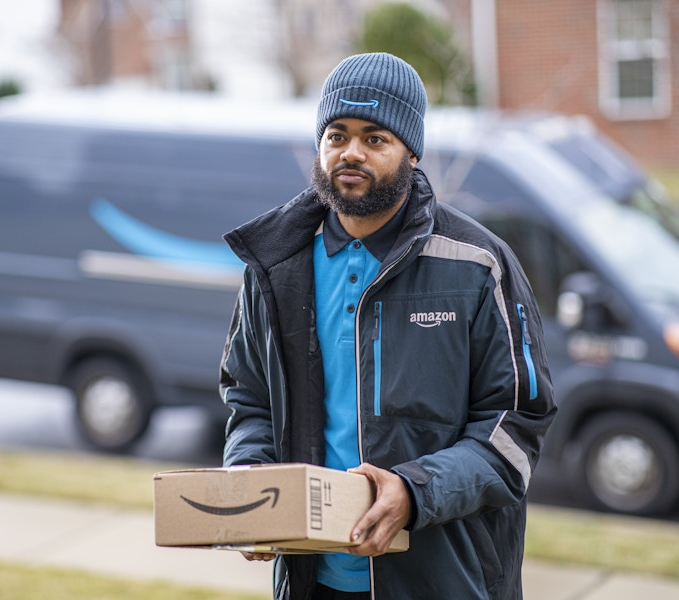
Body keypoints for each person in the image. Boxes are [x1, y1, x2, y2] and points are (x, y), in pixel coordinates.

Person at [219, 52, 556, 600]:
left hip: (446, 581)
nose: (351, 152)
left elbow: (516, 426)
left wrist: (414, 491)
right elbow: (251, 399)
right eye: (337, 134)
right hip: (313, 579)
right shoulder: (275, 266)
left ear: (411, 152)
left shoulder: (477, 264)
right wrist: (253, 483)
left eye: (375, 138)